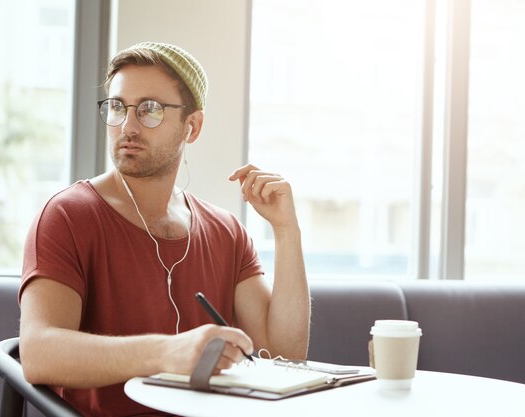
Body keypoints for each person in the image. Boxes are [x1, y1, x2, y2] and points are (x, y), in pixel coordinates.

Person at [18, 41, 310, 416]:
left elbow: (284, 355)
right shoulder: (67, 216)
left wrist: (287, 231)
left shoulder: (226, 231)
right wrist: (168, 352)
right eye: (118, 107)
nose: (128, 125)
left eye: (150, 110)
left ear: (192, 126)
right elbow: (39, 353)